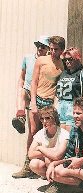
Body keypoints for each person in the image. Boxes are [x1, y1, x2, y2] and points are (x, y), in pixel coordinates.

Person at [12, 35, 50, 178]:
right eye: (38, 45)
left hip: (45, 97)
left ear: (48, 49)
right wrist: (20, 89)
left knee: (45, 132)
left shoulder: (50, 61)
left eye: (43, 46)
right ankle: (28, 165)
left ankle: (43, 166)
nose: (40, 48)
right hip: (30, 95)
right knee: (33, 131)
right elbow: (22, 77)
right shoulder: (28, 58)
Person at [28, 105, 69, 178]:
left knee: (48, 159)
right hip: (48, 161)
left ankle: (57, 181)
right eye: (42, 119)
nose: (44, 121)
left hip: (61, 163)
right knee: (34, 164)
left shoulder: (64, 134)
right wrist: (52, 150)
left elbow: (57, 156)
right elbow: (30, 154)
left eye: (47, 118)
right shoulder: (41, 133)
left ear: (55, 118)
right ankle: (50, 178)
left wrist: (41, 148)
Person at [55, 47, 83, 132]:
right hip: (61, 106)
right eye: (65, 60)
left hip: (72, 105)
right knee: (61, 135)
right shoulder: (63, 73)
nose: (67, 62)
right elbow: (57, 92)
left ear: (76, 59)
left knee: (70, 135)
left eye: (70, 59)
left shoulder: (82, 73)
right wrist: (55, 106)